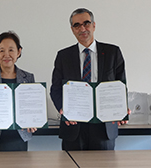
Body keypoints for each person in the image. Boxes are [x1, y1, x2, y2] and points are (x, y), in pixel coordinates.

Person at [50, 8, 129, 151]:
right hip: (73, 126)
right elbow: (55, 89)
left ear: (94, 25)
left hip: (104, 127)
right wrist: (63, 109)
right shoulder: (63, 56)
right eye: (77, 25)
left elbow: (120, 87)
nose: (82, 28)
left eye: (86, 23)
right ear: (72, 29)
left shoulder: (113, 52)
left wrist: (121, 109)